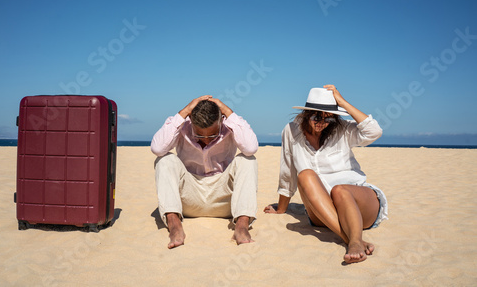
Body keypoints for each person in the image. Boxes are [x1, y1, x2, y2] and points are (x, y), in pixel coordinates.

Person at [264, 85, 388, 264]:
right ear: (306, 114)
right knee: (305, 175)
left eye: (328, 118)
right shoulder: (291, 131)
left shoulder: (342, 129)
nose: (321, 122)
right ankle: (353, 240)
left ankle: (354, 240)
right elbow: (287, 171)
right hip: (323, 212)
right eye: (316, 117)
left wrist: (342, 102)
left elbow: (374, 132)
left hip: (359, 203)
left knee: (340, 190)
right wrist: (282, 208)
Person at [151, 95, 258, 249]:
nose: (207, 140)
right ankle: (174, 224)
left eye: (212, 135)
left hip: (223, 198)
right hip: (189, 198)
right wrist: (185, 111)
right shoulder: (183, 125)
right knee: (164, 160)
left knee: (248, 159)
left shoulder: (229, 125)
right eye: (200, 135)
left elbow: (250, 148)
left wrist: (227, 111)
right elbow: (157, 148)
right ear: (191, 123)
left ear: (221, 121)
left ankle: (241, 226)